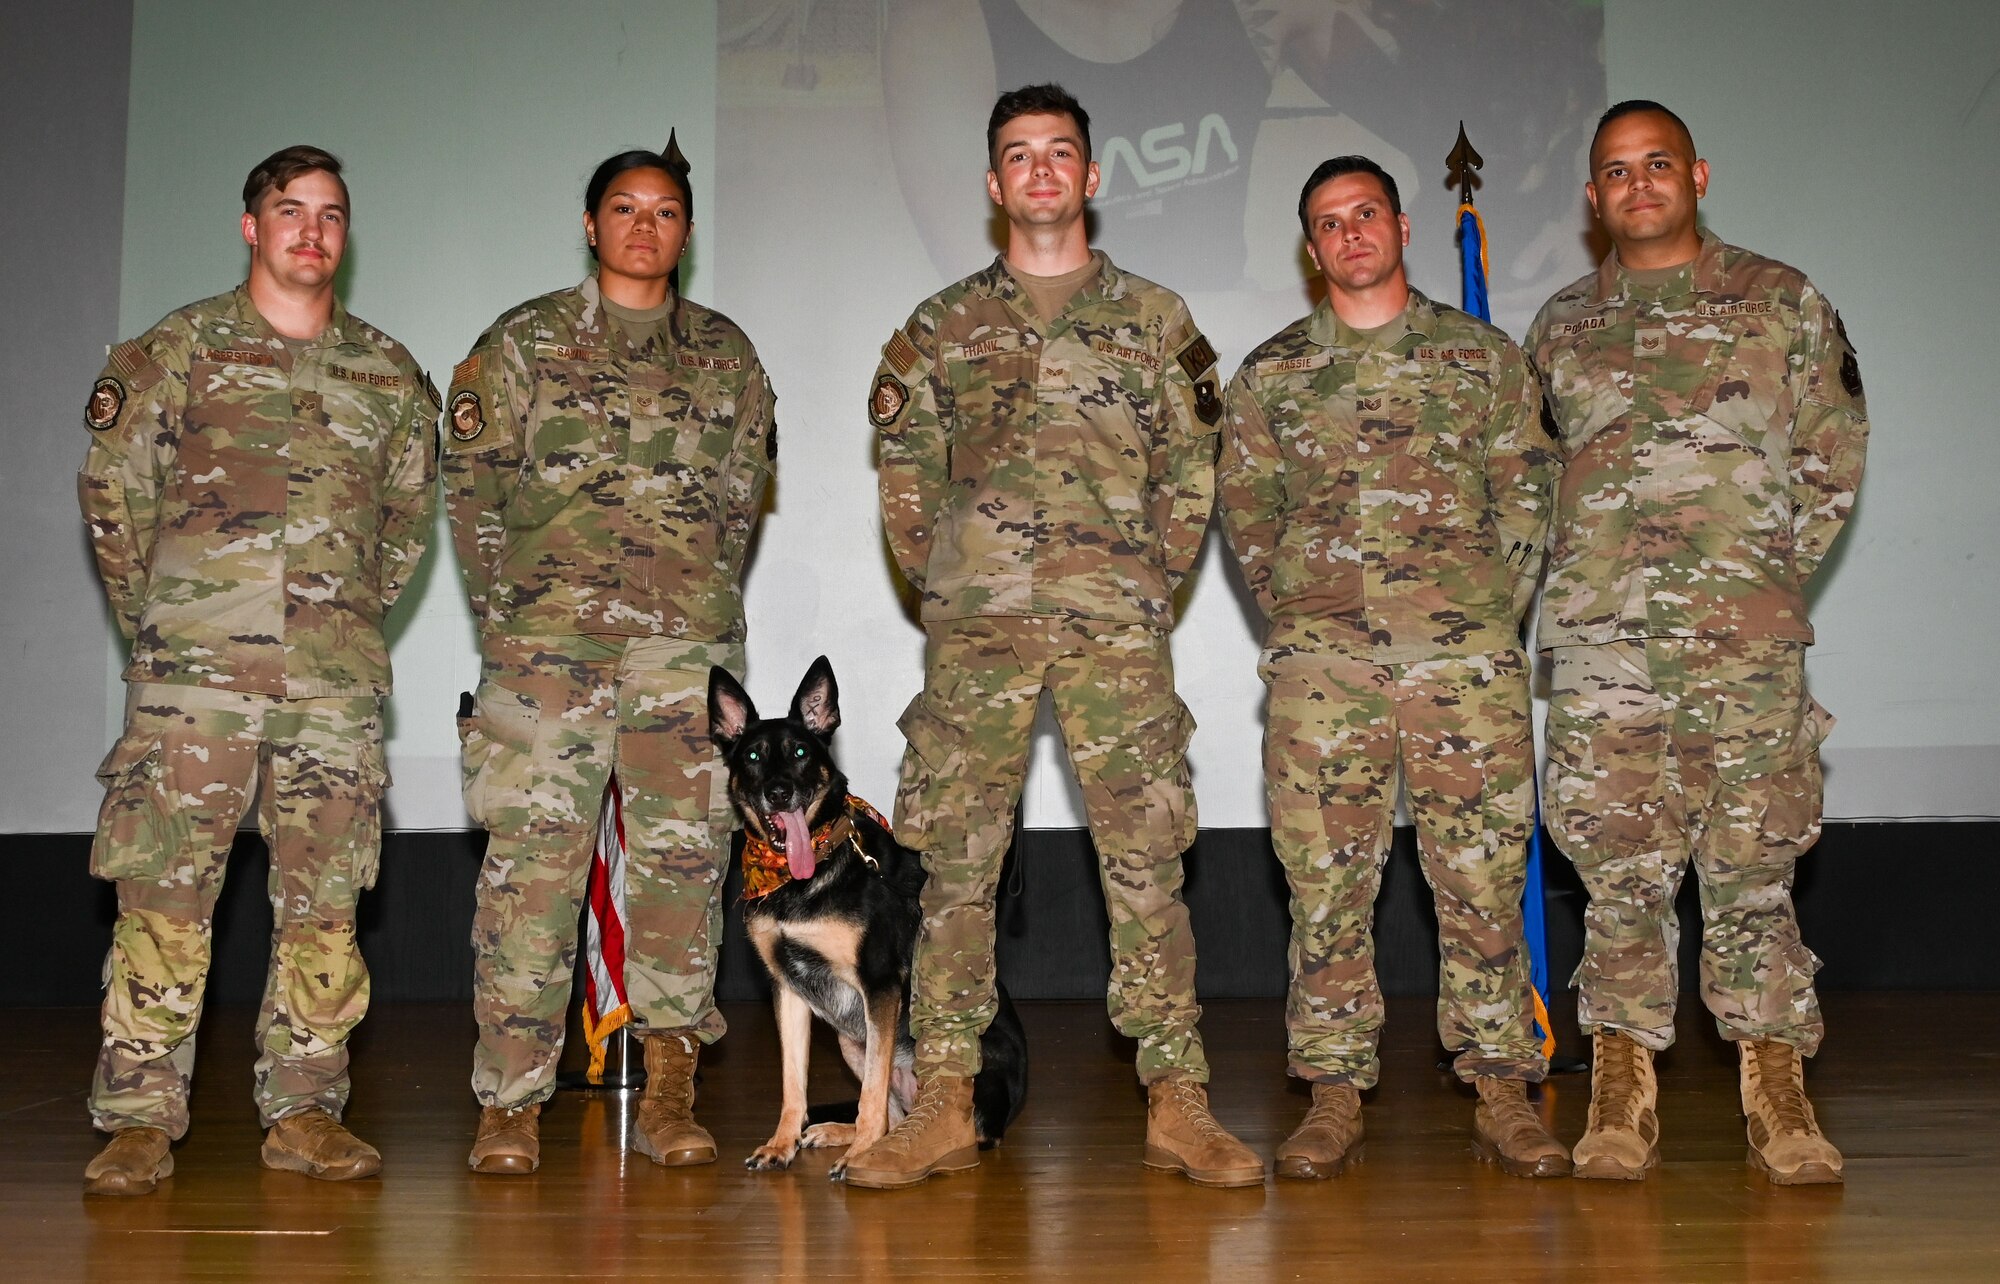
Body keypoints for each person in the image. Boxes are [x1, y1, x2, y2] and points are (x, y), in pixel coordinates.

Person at [850, 82, 1258, 1190]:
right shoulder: (938, 328)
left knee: (1146, 868)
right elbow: (905, 486)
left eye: (1058, 153)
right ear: (993, 186)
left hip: (1114, 632)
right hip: (976, 636)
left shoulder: (1157, 322)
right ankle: (940, 1100)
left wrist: (1132, 585)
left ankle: (1177, 1101)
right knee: (951, 874)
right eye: (1018, 155)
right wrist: (956, 585)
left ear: (1090, 176)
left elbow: (1190, 481)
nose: (1039, 170)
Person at [77, 145, 438, 1194]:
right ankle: (142, 1118)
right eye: (290, 211)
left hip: (332, 688)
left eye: (330, 214)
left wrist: (341, 617)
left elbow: (404, 525)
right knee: (164, 899)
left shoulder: (388, 376)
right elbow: (116, 498)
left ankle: (308, 1110)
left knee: (328, 908)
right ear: (251, 226)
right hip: (194, 679)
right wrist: (172, 621)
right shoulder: (177, 352)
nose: (311, 232)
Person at [1526, 101, 1869, 1184]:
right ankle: (1620, 1088)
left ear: (1696, 174)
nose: (1636, 186)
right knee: (1618, 876)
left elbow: (1831, 457)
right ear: (1591, 197)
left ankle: (1775, 1088)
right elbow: (1531, 486)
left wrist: (1751, 581)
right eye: (1615, 172)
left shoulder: (1780, 302)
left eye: (1656, 165)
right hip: (1602, 650)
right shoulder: (1558, 328)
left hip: (1740, 645)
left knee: (1750, 871)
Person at [1218, 156, 1566, 1180]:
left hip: (1464, 670)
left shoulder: (1482, 360)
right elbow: (1247, 520)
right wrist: (1311, 619)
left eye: (1364, 213)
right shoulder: (1271, 376)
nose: (1349, 233)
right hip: (1323, 675)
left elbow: (1527, 502)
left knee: (1481, 881)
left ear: (1402, 227)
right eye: (1327, 222)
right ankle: (1330, 1094)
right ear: (1310, 246)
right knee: (1324, 888)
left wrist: (1472, 622)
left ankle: (1502, 1088)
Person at [443, 137, 776, 1175]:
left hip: (683, 657)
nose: (645, 225)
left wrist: (695, 614)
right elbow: (473, 495)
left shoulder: (726, 355)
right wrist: (516, 625)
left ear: (685, 229)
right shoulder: (522, 343)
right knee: (530, 879)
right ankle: (510, 1101)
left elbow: (737, 505)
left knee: (680, 875)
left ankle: (672, 1084)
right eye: (624, 208)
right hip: (546, 656)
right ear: (590, 226)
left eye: (666, 210)